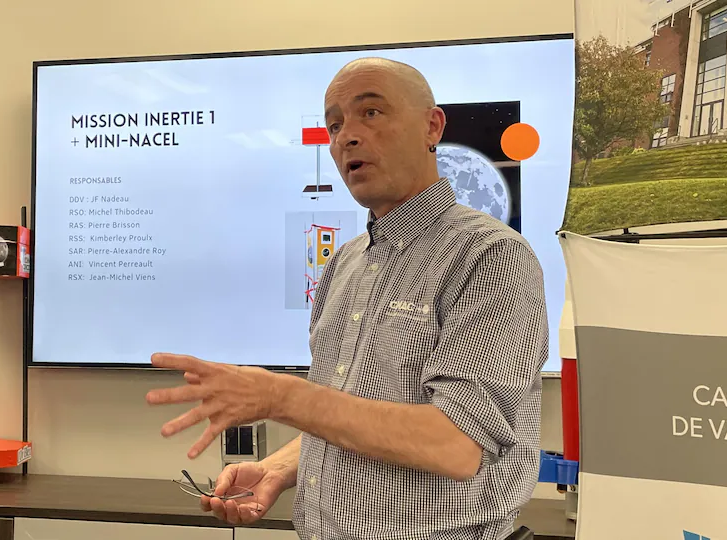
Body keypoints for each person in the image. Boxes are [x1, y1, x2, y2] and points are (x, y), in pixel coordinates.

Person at [146, 57, 548, 540]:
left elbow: (457, 444)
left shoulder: (491, 256)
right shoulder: (344, 263)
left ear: (432, 126)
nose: (346, 137)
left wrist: (278, 396)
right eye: (334, 124)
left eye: (371, 113)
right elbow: (359, 415)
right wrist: (279, 467)